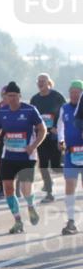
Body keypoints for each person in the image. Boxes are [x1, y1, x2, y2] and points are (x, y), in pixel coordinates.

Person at [0, 81, 47, 234]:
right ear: (5, 97)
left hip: (27, 156)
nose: (12, 99)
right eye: (9, 96)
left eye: (15, 96)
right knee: (8, 188)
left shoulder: (30, 110)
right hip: (8, 155)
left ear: (20, 96)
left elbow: (42, 130)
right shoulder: (1, 112)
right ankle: (17, 220)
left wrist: (33, 145)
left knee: (25, 189)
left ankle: (30, 206)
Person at [30, 73, 68, 203]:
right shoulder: (35, 99)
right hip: (41, 136)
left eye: (43, 81)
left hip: (55, 136)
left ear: (49, 83)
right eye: (39, 81)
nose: (41, 83)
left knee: (56, 166)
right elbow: (31, 117)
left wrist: (57, 127)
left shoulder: (57, 97)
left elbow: (65, 113)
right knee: (43, 165)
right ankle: (49, 193)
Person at [57, 79, 83, 234]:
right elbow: (60, 126)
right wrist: (61, 140)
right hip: (71, 152)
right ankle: (71, 221)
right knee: (69, 185)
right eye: (71, 92)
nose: (74, 95)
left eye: (77, 93)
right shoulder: (65, 108)